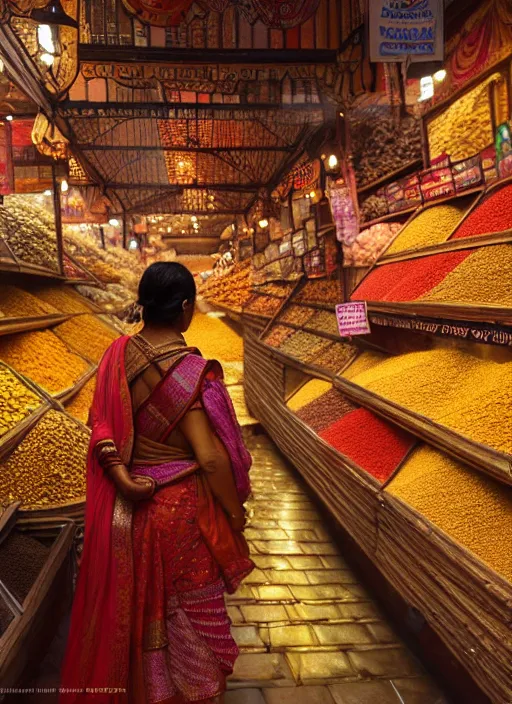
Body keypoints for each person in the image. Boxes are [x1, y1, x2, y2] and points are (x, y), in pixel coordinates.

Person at [60, 262, 254, 704]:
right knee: (189, 615)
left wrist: (122, 476)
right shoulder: (190, 369)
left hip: (129, 512)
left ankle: (148, 690)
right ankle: (192, 690)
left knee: (144, 614)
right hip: (181, 515)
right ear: (186, 307)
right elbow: (208, 457)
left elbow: (99, 425)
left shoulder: (116, 355)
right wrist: (234, 511)